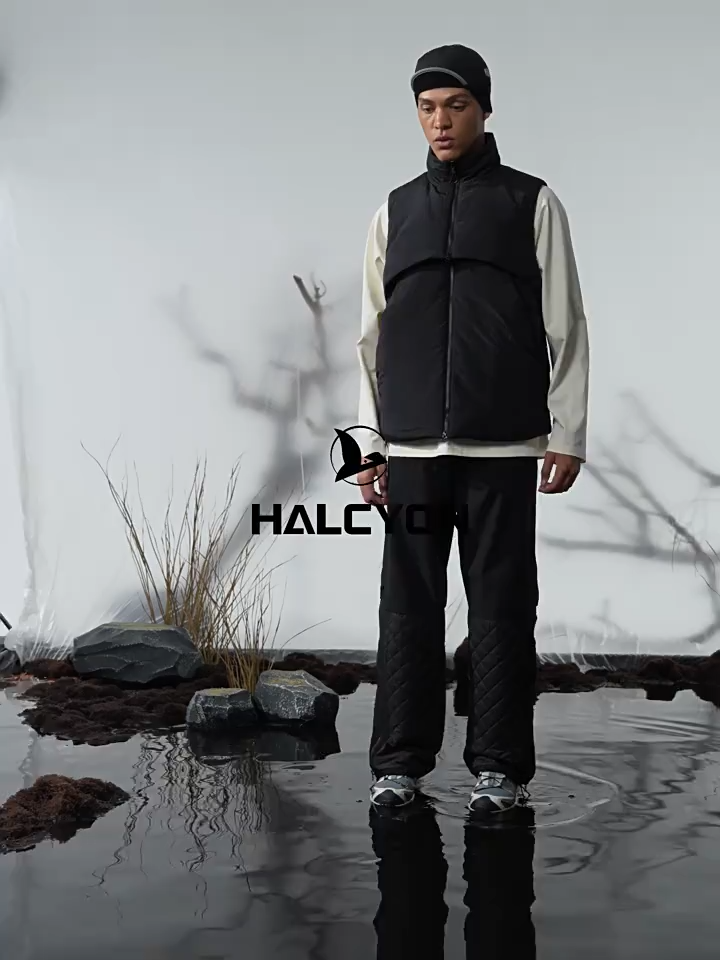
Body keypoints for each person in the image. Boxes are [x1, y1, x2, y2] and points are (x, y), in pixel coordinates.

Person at [356, 43, 589, 814]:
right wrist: (367, 446)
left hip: (504, 443)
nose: (440, 121)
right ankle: (399, 765)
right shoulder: (394, 210)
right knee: (407, 605)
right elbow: (369, 337)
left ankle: (499, 769)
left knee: (501, 603)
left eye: (456, 106)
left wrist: (567, 432)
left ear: (484, 110)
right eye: (427, 108)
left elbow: (566, 326)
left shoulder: (532, 202)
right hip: (412, 447)